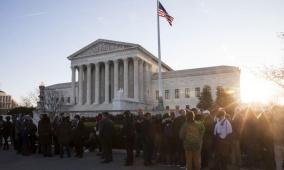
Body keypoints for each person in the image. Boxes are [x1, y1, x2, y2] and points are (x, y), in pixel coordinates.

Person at [272, 106, 284, 170]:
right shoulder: (273, 120)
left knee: (279, 161)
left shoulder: (273, 120)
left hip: (278, 142)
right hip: (277, 143)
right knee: (278, 161)